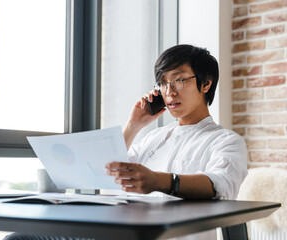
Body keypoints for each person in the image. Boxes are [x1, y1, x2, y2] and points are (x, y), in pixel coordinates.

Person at [105, 44, 248, 239]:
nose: (169, 92)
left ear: (206, 83)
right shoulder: (153, 139)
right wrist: (133, 125)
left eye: (179, 80)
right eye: (163, 83)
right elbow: (107, 172)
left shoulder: (226, 142)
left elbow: (219, 185)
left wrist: (157, 180)